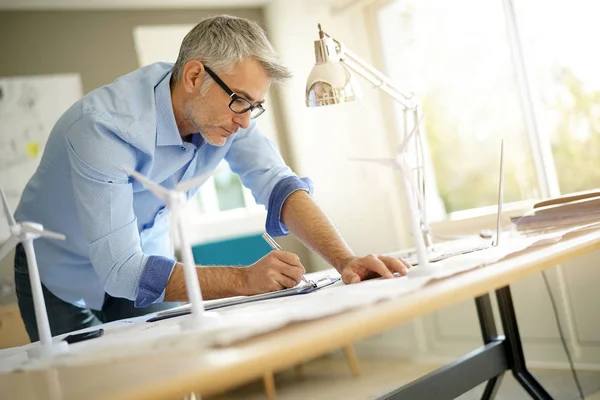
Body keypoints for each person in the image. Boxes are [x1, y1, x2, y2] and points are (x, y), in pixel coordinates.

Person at [14, 14, 411, 342]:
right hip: (56, 271)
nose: (243, 121)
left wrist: (347, 260)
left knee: (172, 371)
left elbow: (279, 183)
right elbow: (121, 270)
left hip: (147, 256)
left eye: (254, 106)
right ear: (193, 77)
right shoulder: (102, 128)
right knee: (84, 387)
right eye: (239, 100)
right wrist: (244, 280)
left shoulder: (226, 116)